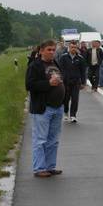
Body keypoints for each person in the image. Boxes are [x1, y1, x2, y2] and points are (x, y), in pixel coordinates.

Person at [25, 39, 65, 178]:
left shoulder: (55, 63)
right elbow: (30, 85)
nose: (52, 52)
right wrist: (49, 83)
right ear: (41, 51)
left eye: (53, 50)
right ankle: (39, 168)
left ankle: (50, 166)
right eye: (49, 49)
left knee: (53, 140)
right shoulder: (35, 66)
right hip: (43, 108)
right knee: (40, 139)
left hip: (57, 107)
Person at [59, 41, 86, 123]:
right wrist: (60, 80)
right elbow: (60, 69)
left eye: (75, 47)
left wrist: (83, 82)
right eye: (71, 47)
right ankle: (66, 112)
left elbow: (83, 71)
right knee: (66, 99)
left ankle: (73, 115)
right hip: (65, 82)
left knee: (75, 99)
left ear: (77, 48)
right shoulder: (63, 57)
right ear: (69, 48)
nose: (73, 49)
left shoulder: (80, 58)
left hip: (76, 82)